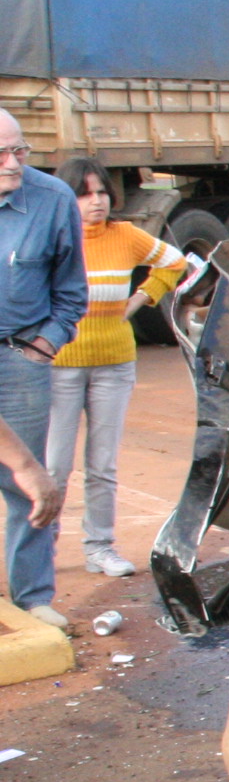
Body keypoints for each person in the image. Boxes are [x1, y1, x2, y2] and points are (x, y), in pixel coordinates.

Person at [48, 157, 187, 578]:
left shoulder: (126, 236)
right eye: (84, 193)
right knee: (54, 466)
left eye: (102, 192)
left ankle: (100, 547)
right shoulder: (52, 239)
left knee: (102, 464)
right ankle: (41, 551)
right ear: (65, 199)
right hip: (59, 365)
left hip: (114, 364)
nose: (96, 202)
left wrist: (139, 301)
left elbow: (176, 262)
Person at [0, 109, 88, 630]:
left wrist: (45, 343)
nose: (13, 164)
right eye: (0, 156)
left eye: (20, 151)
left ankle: (32, 598)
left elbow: (71, 290)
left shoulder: (52, 200)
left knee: (25, 482)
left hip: (19, 360)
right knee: (27, 470)